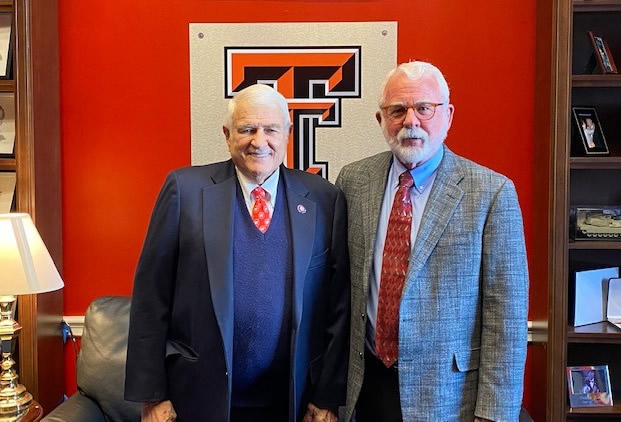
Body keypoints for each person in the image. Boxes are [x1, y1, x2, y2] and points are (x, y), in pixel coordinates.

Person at [125, 84, 350, 422]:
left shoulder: (324, 199)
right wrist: (151, 396)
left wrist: (328, 396)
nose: (259, 142)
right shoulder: (184, 191)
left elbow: (338, 307)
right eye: (247, 130)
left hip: (294, 400)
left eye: (271, 129)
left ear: (288, 133)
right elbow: (150, 298)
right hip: (200, 397)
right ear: (227, 135)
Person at [336, 61, 529, 421]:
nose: (411, 121)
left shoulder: (490, 192)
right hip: (366, 385)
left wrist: (494, 413)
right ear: (381, 120)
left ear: (448, 115)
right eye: (397, 110)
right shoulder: (353, 181)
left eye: (424, 108)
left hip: (450, 396)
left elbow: (507, 316)